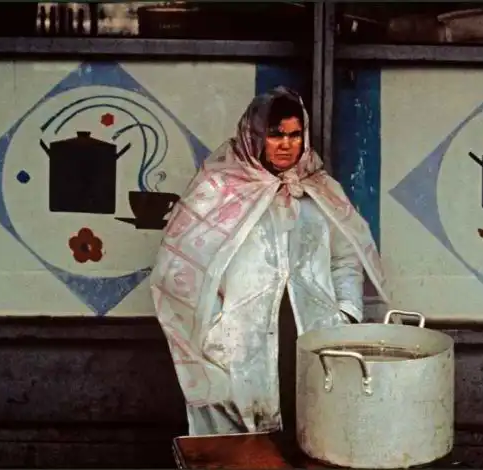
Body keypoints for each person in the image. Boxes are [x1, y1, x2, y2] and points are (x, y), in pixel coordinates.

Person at [150, 87, 388, 438]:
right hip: (241, 344)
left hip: (314, 337)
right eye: (276, 134)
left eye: (295, 135)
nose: (286, 144)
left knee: (317, 434)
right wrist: (216, 330)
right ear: (255, 135)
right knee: (245, 446)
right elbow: (178, 268)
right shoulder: (218, 189)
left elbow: (345, 257)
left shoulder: (319, 190)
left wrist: (346, 313)